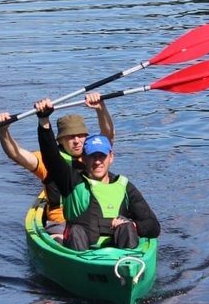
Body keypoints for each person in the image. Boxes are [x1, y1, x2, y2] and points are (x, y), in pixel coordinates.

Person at [35, 97, 160, 251]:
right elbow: (51, 157)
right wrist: (44, 121)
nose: (98, 161)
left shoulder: (124, 186)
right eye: (92, 156)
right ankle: (80, 263)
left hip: (120, 256)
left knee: (127, 228)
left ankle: (129, 260)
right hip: (81, 253)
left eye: (102, 156)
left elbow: (153, 226)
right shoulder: (72, 182)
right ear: (84, 158)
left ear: (111, 157)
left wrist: (133, 225)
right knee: (76, 231)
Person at [0, 92, 114, 240]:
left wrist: (100, 108)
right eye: (70, 137)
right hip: (60, 223)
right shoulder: (48, 159)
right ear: (60, 140)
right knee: (62, 239)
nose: (76, 141)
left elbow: (108, 136)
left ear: (86, 136)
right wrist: (3, 131)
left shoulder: (93, 156)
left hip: (94, 217)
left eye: (80, 135)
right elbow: (16, 154)